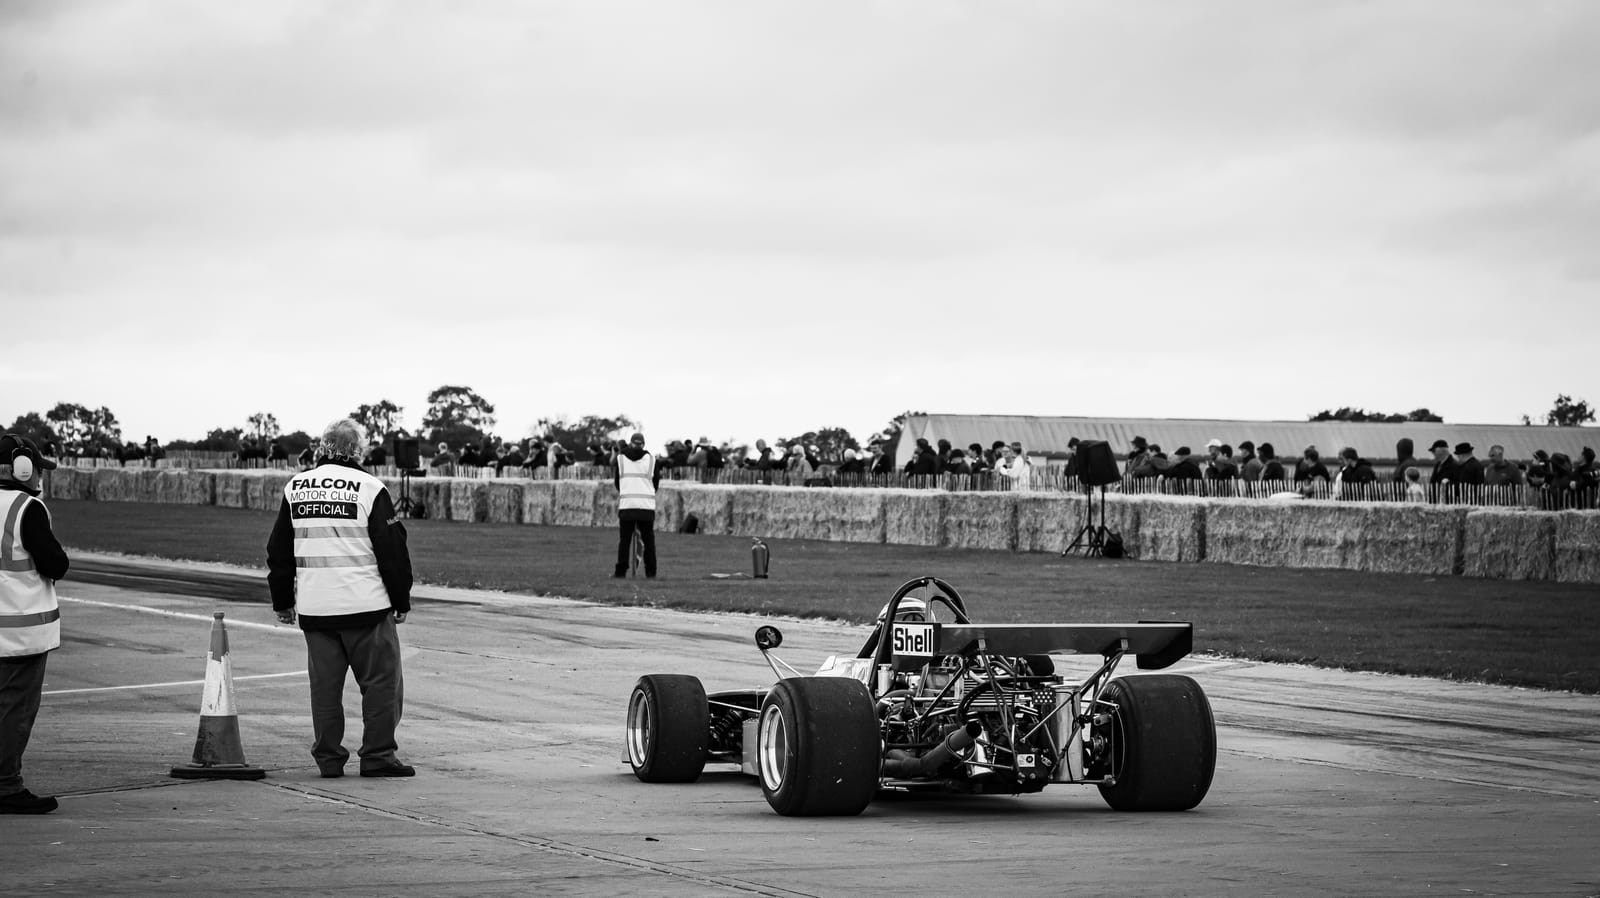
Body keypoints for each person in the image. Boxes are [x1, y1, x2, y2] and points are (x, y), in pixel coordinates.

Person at [267, 419, 415, 779]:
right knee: (381, 685)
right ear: (358, 450)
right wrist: (401, 600)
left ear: (322, 447)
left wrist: (282, 600)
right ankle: (378, 756)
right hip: (366, 607)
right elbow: (392, 551)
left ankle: (329, 760)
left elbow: (279, 550)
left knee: (325, 691)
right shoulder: (369, 488)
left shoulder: (296, 487)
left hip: (317, 609)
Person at [0, 435, 68, 814]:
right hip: (19, 634)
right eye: (37, 467)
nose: (40, 473)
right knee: (14, 713)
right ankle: (6, 786)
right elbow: (55, 564)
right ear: (21, 468)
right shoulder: (27, 508)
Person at [613, 433, 661, 578]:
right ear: (644, 444)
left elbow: (617, 482)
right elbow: (656, 483)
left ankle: (621, 572)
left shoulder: (620, 459)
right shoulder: (652, 460)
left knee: (625, 542)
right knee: (648, 542)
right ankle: (651, 572)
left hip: (627, 505)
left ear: (631, 443)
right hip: (646, 507)